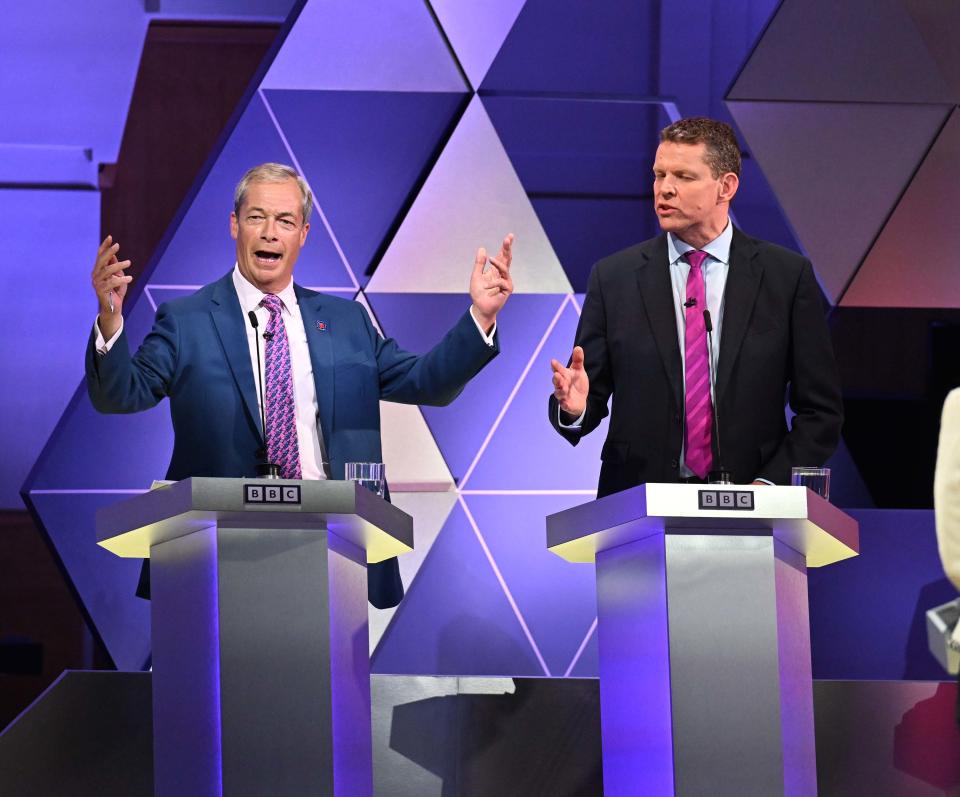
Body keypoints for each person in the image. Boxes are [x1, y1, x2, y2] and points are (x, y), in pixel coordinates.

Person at [88, 162, 514, 608]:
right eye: (257, 217)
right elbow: (121, 394)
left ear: (303, 234)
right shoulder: (186, 320)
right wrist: (111, 320)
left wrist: (481, 317)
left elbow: (428, 383)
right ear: (235, 225)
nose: (270, 232)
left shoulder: (347, 323)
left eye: (285, 221)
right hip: (215, 551)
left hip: (334, 547)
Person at [549, 117, 842, 496]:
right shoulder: (614, 277)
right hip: (638, 504)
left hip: (753, 508)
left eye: (683, 177)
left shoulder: (785, 277)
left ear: (726, 187)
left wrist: (767, 485)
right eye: (659, 175)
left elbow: (821, 412)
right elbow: (589, 393)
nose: (664, 189)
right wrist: (575, 409)